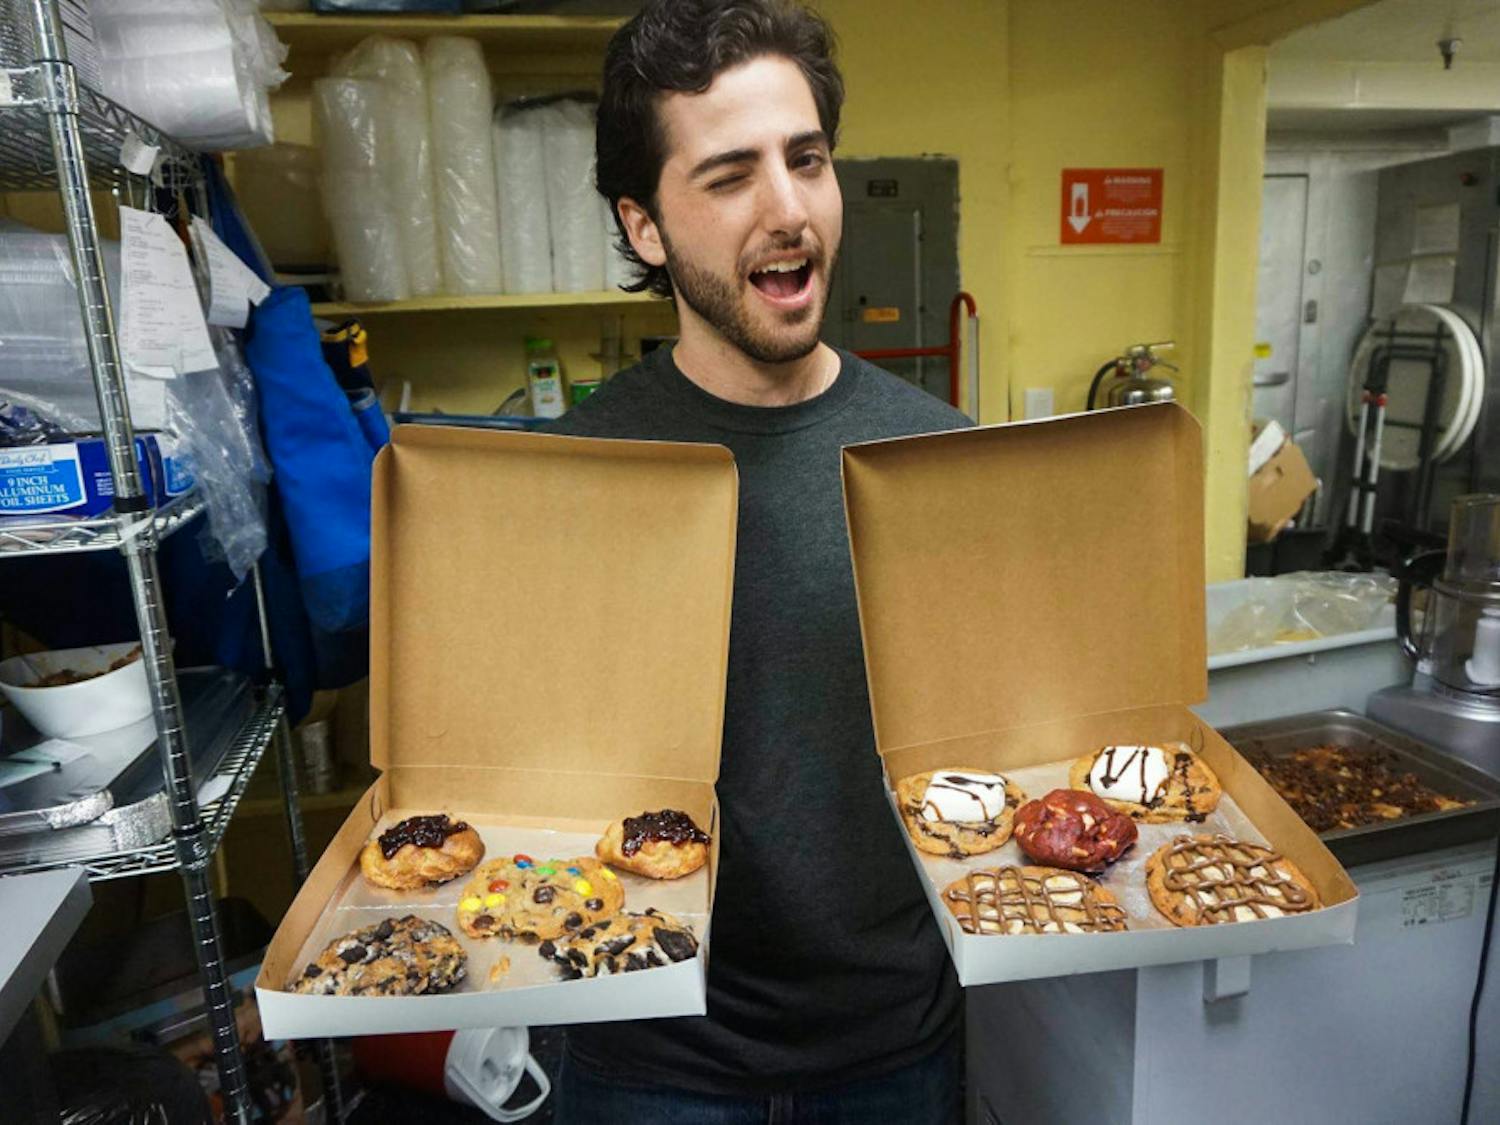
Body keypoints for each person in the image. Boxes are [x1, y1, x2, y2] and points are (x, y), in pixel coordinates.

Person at [545, 2, 969, 1120]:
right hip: (648, 1059)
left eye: (808, 160)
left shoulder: (942, 461)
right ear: (645, 227)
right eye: (730, 176)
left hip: (896, 1051)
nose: (788, 211)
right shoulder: (569, 480)